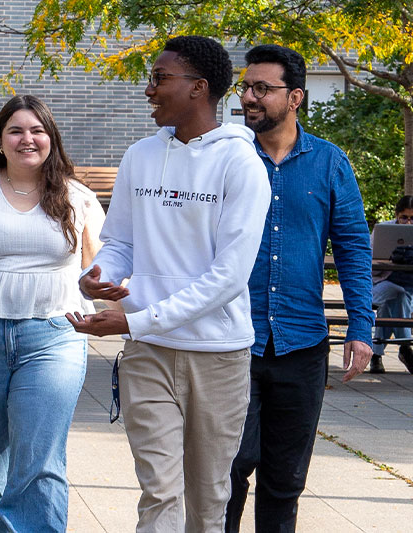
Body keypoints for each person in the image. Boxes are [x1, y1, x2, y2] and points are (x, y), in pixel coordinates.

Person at [67, 36, 271, 532]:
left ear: (199, 88)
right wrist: (100, 277)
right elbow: (121, 242)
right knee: (159, 491)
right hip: (148, 350)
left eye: (161, 78)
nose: (149, 89)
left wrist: (136, 318)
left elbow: (228, 277)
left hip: (217, 355)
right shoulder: (140, 156)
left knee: (207, 500)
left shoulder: (241, 164)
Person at [225, 45, 374, 532]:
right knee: (227, 472)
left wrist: (361, 327)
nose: (249, 97)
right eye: (246, 87)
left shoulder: (329, 163)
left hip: (302, 342)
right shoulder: (225, 156)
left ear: (295, 98)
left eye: (261, 89)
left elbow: (353, 246)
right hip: (230, 341)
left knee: (285, 480)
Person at [0, 94, 106, 533]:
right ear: (0, 140)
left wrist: (124, 308)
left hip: (56, 335)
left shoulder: (77, 197)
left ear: (51, 139)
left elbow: (103, 265)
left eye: (37, 130)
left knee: (39, 457)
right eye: (16, 130)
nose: (27, 139)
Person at [370, 195, 413, 374]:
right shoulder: (383, 231)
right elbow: (369, 266)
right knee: (396, 295)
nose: (408, 222)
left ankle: (376, 355)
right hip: (384, 283)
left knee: (394, 300)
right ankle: (405, 349)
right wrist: (388, 261)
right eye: (404, 218)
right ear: (397, 215)